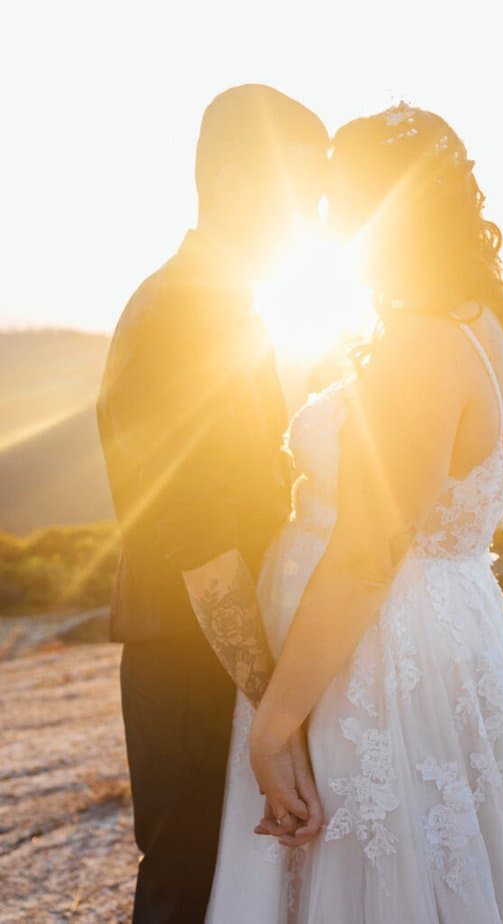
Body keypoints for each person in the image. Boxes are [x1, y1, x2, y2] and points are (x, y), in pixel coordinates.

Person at [207, 104, 503, 922]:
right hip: (437, 632)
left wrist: (274, 727)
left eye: (341, 206)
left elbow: (367, 552)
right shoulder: (477, 325)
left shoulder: (421, 343)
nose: (328, 225)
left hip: (377, 655)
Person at [97, 84, 328, 923]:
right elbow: (196, 539)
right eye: (301, 193)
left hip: (215, 659)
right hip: (189, 664)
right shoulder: (180, 319)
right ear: (234, 182)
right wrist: (277, 711)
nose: (314, 217)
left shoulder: (230, 309)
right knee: (187, 887)